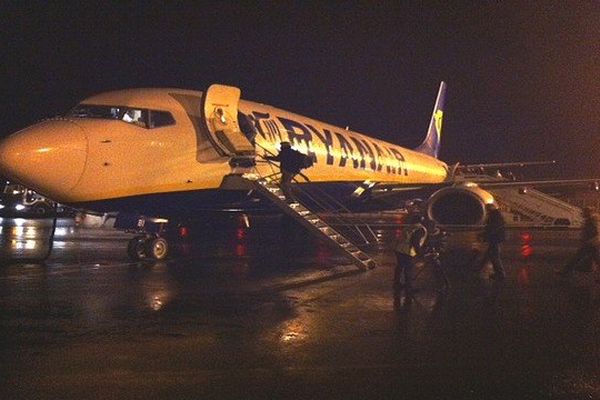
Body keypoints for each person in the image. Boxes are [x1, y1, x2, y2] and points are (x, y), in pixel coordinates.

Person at [394, 209, 428, 307]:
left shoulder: (409, 227)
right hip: (407, 251)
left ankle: (397, 284)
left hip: (399, 249)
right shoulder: (420, 229)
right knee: (408, 269)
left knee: (400, 267)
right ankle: (409, 287)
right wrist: (420, 253)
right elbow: (415, 242)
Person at [557, 207, 600, 277]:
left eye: (584, 213)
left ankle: (565, 271)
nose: (582, 214)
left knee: (576, 257)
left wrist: (587, 240)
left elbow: (594, 232)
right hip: (593, 242)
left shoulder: (591, 220)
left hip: (590, 243)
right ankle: (566, 270)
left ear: (588, 213)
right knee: (594, 258)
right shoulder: (592, 220)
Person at [481, 203, 506, 280]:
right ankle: (477, 269)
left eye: (487, 209)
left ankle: (500, 274)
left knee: (494, 256)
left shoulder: (494, 216)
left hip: (494, 238)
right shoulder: (496, 215)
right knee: (490, 255)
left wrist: (485, 235)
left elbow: (492, 228)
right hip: (495, 238)